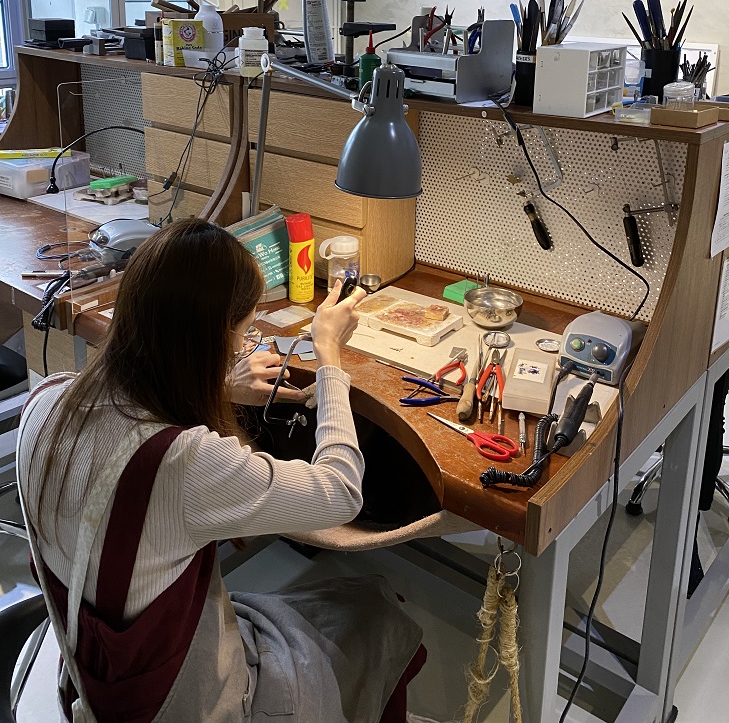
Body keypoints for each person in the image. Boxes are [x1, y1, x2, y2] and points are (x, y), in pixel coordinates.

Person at [17, 218, 425, 723]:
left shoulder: (46, 400)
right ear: (212, 337)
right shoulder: (182, 463)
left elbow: (128, 419)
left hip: (88, 675)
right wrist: (329, 358)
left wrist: (222, 386)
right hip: (187, 705)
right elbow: (341, 492)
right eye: (244, 330)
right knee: (377, 610)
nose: (242, 343)